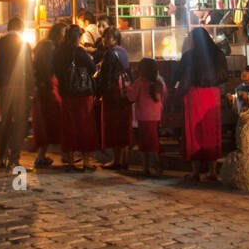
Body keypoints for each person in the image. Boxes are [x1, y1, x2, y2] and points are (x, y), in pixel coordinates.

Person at [174, 27, 227, 182]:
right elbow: (224, 76)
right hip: (212, 94)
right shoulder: (218, 55)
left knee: (193, 132)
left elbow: (177, 75)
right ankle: (213, 171)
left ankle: (195, 171)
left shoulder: (189, 55)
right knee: (212, 132)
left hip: (194, 95)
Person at [55, 24, 98, 171]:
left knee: (69, 127)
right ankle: (86, 162)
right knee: (85, 127)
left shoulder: (60, 51)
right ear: (79, 38)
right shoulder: (80, 52)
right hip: (83, 95)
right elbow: (93, 69)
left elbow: (56, 70)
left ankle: (71, 162)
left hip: (67, 94)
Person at [0, 17, 34, 170]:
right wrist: (31, 88)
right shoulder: (23, 45)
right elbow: (28, 69)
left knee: (5, 122)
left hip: (5, 88)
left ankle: (1, 156)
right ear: (22, 29)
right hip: (20, 88)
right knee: (19, 123)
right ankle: (14, 158)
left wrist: (1, 82)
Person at [31, 22, 66, 168]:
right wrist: (49, 86)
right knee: (56, 119)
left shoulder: (43, 45)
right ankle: (65, 154)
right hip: (48, 88)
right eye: (64, 34)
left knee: (45, 122)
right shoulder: (49, 47)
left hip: (42, 88)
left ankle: (42, 155)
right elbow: (47, 68)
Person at [97, 26, 133, 170]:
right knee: (123, 126)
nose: (105, 40)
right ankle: (124, 159)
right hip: (124, 93)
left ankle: (116, 160)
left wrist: (99, 93)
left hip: (113, 94)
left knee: (113, 126)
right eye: (104, 37)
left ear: (115, 39)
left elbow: (106, 76)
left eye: (108, 37)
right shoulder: (123, 52)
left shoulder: (110, 54)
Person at [127, 57, 167, 177]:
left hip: (144, 116)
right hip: (156, 115)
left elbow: (132, 97)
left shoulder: (140, 81)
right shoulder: (160, 81)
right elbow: (164, 96)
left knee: (144, 143)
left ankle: (147, 167)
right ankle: (156, 164)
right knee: (154, 139)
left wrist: (127, 88)